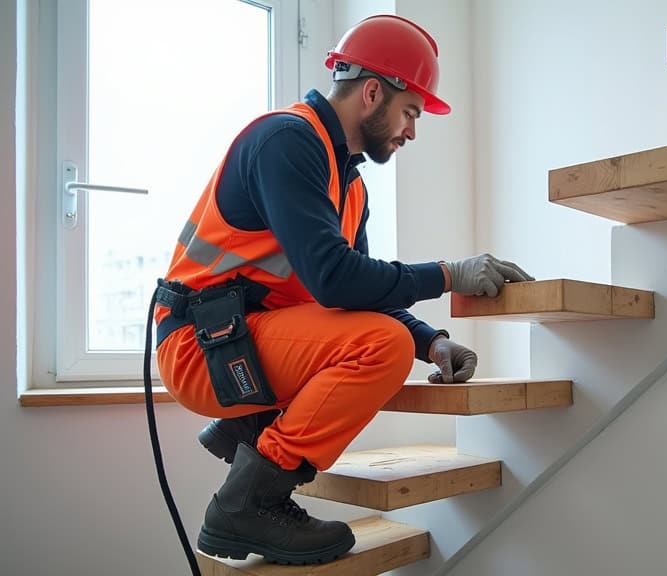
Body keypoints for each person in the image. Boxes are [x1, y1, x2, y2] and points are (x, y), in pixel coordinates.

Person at [153, 14, 532, 566]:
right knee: (382, 346)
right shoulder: (287, 140)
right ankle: (250, 503)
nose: (412, 130)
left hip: (241, 339)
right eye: (410, 112)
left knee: (390, 338)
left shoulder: (348, 184)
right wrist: (448, 274)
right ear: (372, 92)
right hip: (200, 344)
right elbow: (334, 279)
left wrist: (432, 342)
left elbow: (358, 291)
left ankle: (246, 429)